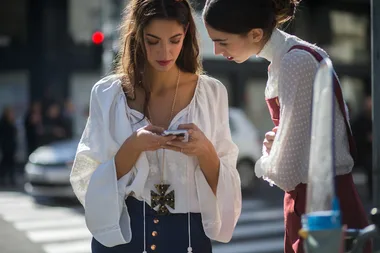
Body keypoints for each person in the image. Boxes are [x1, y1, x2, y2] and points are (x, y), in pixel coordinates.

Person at [70, 0, 242, 252]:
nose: (165, 52)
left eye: (175, 40)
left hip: (187, 238)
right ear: (138, 36)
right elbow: (85, 177)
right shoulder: (107, 94)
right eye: (153, 41)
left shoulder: (211, 93)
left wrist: (205, 150)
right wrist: (132, 148)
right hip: (124, 234)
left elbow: (229, 189)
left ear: (186, 35)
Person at [202, 0, 370, 253]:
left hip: (319, 204)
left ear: (256, 33)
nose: (215, 50)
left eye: (222, 41)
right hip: (320, 198)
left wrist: (267, 158)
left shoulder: (294, 61)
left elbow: (287, 172)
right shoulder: (293, 56)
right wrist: (281, 142)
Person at [0, 107, 18, 186]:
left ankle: (11, 179)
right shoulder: (3, 122)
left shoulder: (11, 122)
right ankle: (3, 178)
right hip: (6, 146)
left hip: (11, 146)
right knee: (6, 163)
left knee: (11, 163)